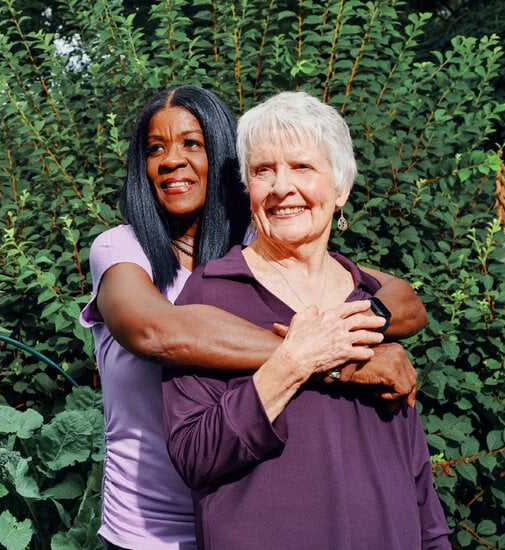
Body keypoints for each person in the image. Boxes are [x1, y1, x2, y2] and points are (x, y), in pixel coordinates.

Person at [80, 85, 430, 549]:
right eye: (155, 149)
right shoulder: (122, 250)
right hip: (151, 533)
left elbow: (401, 298)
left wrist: (361, 328)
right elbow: (159, 331)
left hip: (244, 518)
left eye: (192, 143)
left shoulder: (258, 244)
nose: (170, 160)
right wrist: (337, 360)